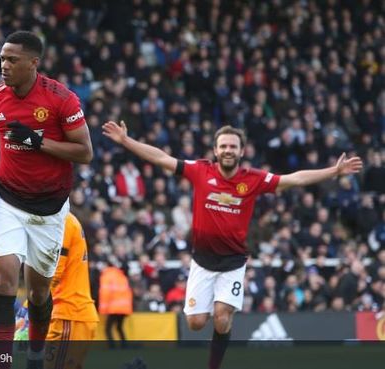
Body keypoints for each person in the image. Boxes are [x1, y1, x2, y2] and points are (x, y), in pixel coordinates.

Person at [102, 122, 363, 369]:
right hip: (202, 261)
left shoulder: (254, 179)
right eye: (223, 146)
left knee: (222, 316)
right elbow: (161, 158)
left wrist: (334, 171)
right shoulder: (200, 170)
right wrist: (126, 141)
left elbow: (293, 179)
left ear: (241, 151)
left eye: (233, 146)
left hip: (233, 263)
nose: (228, 150)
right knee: (195, 323)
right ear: (215, 150)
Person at [0, 30, 93, 369]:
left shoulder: (61, 99)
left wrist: (38, 141)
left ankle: (36, 356)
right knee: (4, 279)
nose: (4, 65)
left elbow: (85, 152)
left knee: (40, 293)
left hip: (49, 210)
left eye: (12, 59)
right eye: (2, 58)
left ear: (33, 63)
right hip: (7, 200)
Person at [45, 212, 99, 369]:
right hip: (71, 313)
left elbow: (55, 273)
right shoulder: (65, 219)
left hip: (69, 313)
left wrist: (30, 308)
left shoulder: (62, 222)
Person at [98, 257, 132, 349]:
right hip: (124, 307)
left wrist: (103, 309)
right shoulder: (121, 275)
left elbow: (105, 293)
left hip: (113, 307)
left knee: (108, 328)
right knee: (119, 327)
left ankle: (112, 346)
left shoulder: (106, 276)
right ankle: (125, 345)